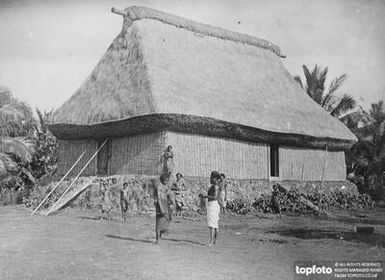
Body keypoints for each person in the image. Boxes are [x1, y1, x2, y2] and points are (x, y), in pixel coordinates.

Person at [152, 174, 175, 244]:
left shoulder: (166, 186)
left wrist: (170, 202)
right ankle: (157, 239)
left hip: (165, 205)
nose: (167, 181)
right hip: (160, 205)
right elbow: (159, 198)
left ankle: (160, 237)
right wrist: (161, 208)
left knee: (165, 222)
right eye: (166, 180)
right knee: (159, 223)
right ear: (163, 180)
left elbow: (169, 195)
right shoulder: (159, 187)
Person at [203, 171, 221, 246]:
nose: (210, 179)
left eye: (211, 177)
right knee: (215, 223)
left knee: (212, 224)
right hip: (213, 205)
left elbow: (215, 197)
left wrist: (205, 196)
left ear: (214, 178)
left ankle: (211, 241)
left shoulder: (215, 187)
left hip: (213, 205)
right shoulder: (216, 186)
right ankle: (214, 241)